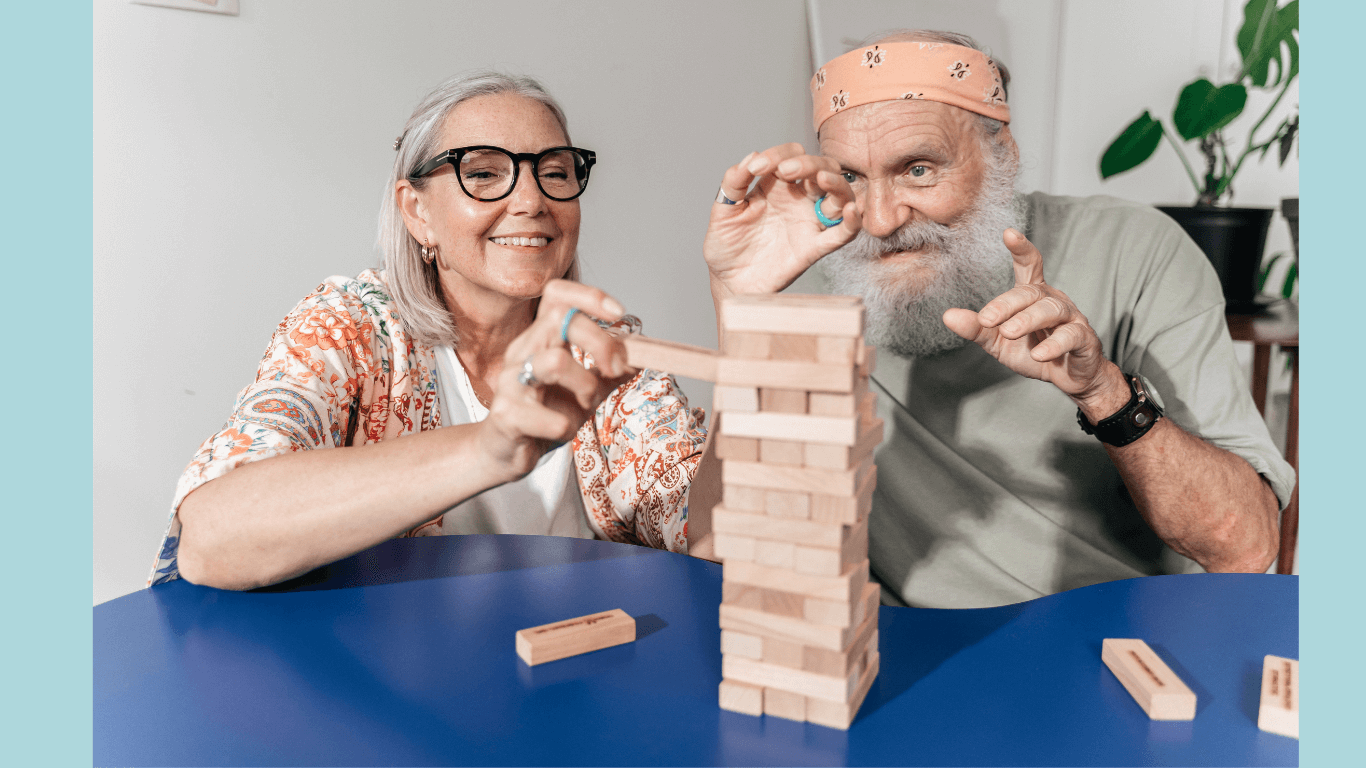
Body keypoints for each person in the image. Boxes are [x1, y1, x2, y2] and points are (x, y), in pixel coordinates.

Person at [701, 30, 1295, 608]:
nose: (880, 221)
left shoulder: (1136, 250)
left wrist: (1103, 392)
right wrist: (738, 303)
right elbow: (716, 549)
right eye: (852, 176)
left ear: (1002, 156)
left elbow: (1244, 546)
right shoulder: (827, 270)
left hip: (1103, 637)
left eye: (918, 169)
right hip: (902, 649)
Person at [150, 71, 708, 591]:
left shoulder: (602, 353)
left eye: (555, 171)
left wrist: (744, 303)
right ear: (416, 210)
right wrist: (490, 449)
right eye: (484, 173)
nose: (533, 200)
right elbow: (213, 540)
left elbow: (714, 537)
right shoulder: (351, 326)